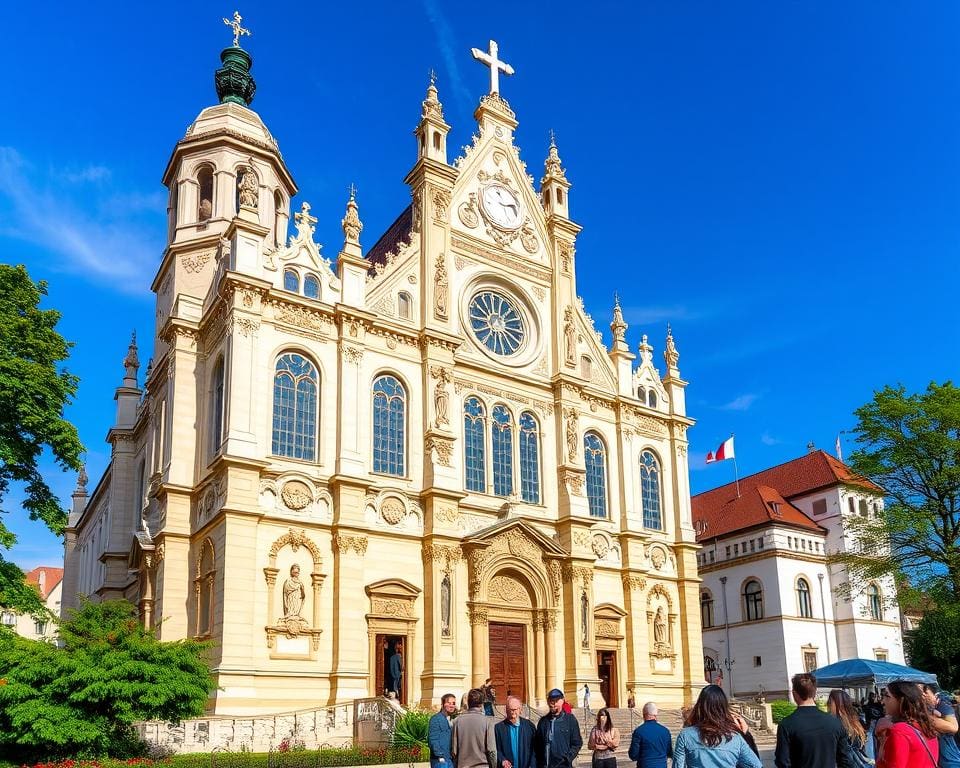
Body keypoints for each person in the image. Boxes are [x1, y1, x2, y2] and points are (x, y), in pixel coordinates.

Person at [775, 673, 854, 768]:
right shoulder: (835, 723)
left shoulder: (786, 725)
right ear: (815, 692)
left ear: (794, 694)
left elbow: (783, 762)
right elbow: (846, 760)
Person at [672, 685, 761, 768]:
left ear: (700, 706)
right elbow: (755, 765)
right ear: (724, 708)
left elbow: (678, 765)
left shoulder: (685, 735)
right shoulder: (735, 737)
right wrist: (745, 735)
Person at [877, 681, 939, 768]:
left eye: (887, 696)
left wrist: (882, 741)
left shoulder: (899, 731)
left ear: (901, 700)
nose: (882, 702)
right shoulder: (926, 727)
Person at [534, 689, 583, 768]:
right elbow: (537, 746)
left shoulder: (570, 720)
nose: (553, 704)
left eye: (556, 701)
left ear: (562, 701)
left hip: (563, 765)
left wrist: (567, 758)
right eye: (551, 701)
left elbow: (577, 743)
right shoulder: (543, 722)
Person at [452, 688, 498, 768]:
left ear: (468, 702)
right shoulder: (488, 722)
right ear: (481, 704)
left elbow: (454, 751)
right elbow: (492, 750)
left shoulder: (457, 721)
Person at [827, 690, 871, 767]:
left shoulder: (836, 724)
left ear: (837, 704)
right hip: (858, 763)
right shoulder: (855, 721)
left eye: (830, 701)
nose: (828, 704)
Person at [921, 683, 960, 768]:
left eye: (925, 691)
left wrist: (919, 715)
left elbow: (953, 727)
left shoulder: (943, 703)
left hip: (951, 762)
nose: (923, 695)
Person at [627, 702, 672, 768]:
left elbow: (633, 755)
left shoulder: (638, 731)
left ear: (643, 714)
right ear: (656, 714)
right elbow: (669, 752)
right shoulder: (666, 731)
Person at [495, 695, 536, 768]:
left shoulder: (529, 726)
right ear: (506, 710)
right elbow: (496, 749)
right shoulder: (499, 728)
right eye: (510, 709)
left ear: (520, 710)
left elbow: (535, 749)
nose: (512, 712)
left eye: (515, 709)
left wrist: (532, 765)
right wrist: (502, 760)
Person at [429, 693, 457, 768]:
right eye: (449, 703)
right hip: (440, 761)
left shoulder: (451, 719)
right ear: (442, 704)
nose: (452, 705)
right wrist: (440, 756)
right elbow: (433, 739)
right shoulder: (436, 719)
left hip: (450, 759)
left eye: (453, 703)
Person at [863, 692, 885, 760]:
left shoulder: (877, 705)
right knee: (872, 741)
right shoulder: (871, 705)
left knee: (874, 741)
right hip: (873, 723)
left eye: (874, 696)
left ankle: (873, 758)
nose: (874, 698)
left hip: (876, 723)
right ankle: (873, 758)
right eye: (873, 696)